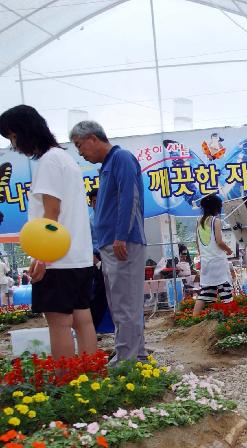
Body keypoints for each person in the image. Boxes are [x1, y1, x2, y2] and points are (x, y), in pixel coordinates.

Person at [1, 105, 98, 359]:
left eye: (12, 136)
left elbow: (51, 213)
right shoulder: (65, 158)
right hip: (78, 256)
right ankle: (89, 375)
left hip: (58, 259)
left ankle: (65, 380)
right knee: (82, 319)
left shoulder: (49, 162)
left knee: (59, 323)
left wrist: (42, 258)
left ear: (24, 131)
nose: (13, 144)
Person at [71, 120, 147, 364]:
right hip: (111, 244)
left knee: (125, 303)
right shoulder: (107, 165)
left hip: (122, 243)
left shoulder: (121, 158)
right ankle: (135, 355)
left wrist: (121, 235)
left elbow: (129, 198)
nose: (80, 152)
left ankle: (127, 358)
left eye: (80, 145)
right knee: (121, 303)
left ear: (93, 138)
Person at [192, 195, 233, 315]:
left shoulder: (198, 221)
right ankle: (229, 319)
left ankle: (194, 318)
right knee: (225, 292)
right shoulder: (216, 221)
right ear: (216, 207)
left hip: (206, 262)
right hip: (218, 262)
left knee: (205, 292)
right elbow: (219, 242)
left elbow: (197, 243)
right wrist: (229, 250)